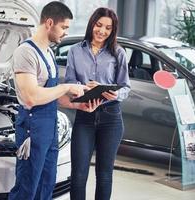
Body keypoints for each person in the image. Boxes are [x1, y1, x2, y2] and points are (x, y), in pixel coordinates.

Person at [8, 2, 101, 200]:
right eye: (64, 27)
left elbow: (50, 95)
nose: (66, 33)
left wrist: (78, 105)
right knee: (28, 185)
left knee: (46, 184)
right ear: (50, 23)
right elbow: (31, 97)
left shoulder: (49, 52)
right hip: (32, 128)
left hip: (50, 127)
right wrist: (67, 87)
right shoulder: (26, 52)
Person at [65, 7, 131, 200]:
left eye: (108, 28)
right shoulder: (75, 51)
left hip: (111, 118)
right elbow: (70, 82)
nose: (102, 31)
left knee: (104, 175)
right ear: (92, 24)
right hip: (84, 116)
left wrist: (113, 94)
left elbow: (125, 87)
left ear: (113, 31)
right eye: (99, 25)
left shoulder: (118, 53)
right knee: (78, 175)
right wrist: (83, 87)